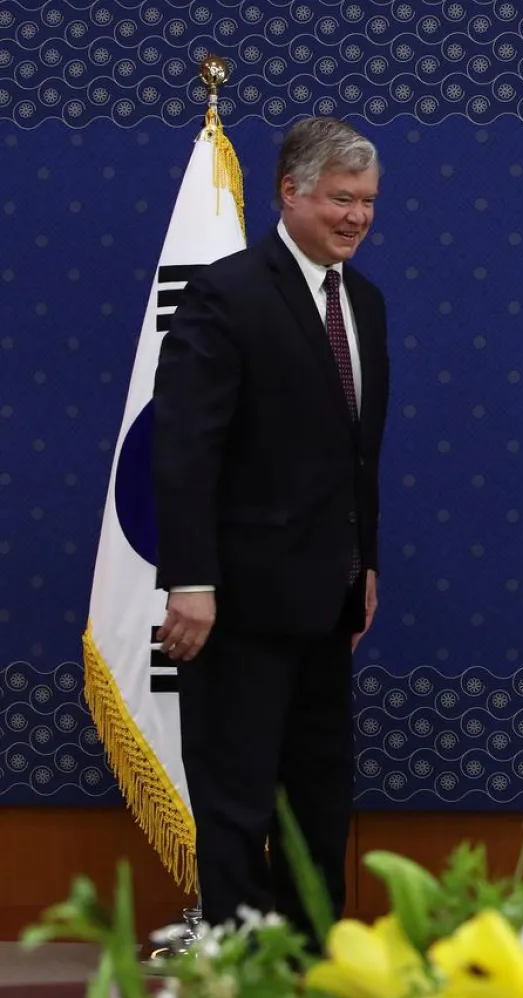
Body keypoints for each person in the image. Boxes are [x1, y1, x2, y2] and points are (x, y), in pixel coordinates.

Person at [152, 116, 390, 934]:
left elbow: (358, 457)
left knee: (319, 794)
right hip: (236, 603)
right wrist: (190, 580)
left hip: (328, 600)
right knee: (236, 795)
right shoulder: (227, 293)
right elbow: (185, 449)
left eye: (365, 201)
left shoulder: (365, 302)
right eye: (339, 199)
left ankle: (312, 953)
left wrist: (365, 565)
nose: (356, 217)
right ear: (289, 192)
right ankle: (236, 961)